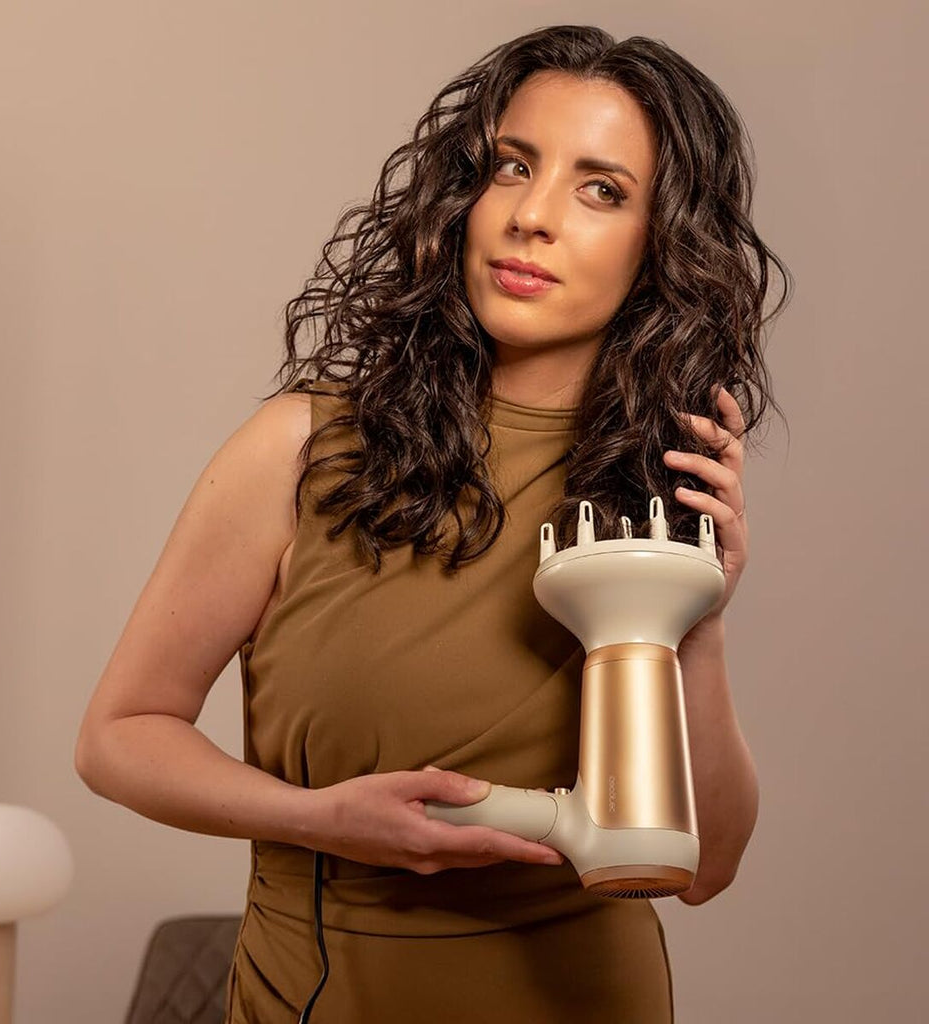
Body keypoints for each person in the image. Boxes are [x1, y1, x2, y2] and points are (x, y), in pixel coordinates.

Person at [75, 23, 789, 1023]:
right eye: (512, 166)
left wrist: (701, 618)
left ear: (662, 242)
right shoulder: (303, 448)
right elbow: (119, 734)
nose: (530, 216)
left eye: (600, 190)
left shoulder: (655, 487)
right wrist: (315, 819)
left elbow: (705, 865)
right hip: (321, 995)